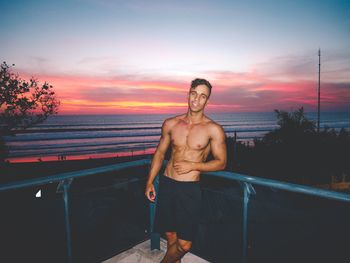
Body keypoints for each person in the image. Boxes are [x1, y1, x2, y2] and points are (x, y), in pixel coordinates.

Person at [145, 78, 227, 263]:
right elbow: (159, 153)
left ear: (207, 101)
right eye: (194, 93)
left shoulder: (213, 129)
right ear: (188, 94)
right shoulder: (171, 123)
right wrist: (150, 181)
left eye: (203, 96)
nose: (197, 99)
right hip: (167, 184)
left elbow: (221, 163)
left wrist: (193, 165)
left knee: (184, 245)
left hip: (189, 189)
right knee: (171, 236)